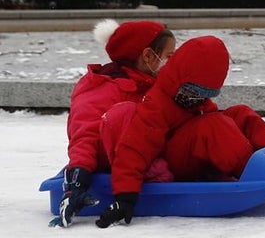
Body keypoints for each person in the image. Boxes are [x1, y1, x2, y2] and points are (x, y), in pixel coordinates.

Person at [95, 35, 265, 228]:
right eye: (192, 92)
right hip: (172, 163)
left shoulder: (197, 100)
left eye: (205, 95)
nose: (196, 99)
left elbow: (215, 119)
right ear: (179, 78)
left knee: (239, 113)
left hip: (193, 148)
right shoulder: (157, 104)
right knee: (214, 125)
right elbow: (134, 149)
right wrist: (125, 197)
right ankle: (251, 172)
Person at [56, 19, 177, 228]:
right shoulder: (104, 86)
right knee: (127, 113)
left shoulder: (152, 82)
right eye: (168, 57)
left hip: (142, 151)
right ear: (148, 55)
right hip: (114, 157)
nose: (172, 63)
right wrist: (78, 178)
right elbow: (86, 132)